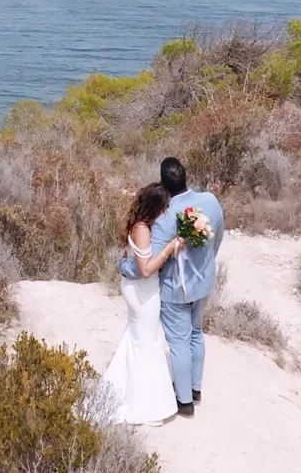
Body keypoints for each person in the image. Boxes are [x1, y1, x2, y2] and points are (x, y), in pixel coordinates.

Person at [118, 156, 224, 417]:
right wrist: (207, 262)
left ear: (163, 182)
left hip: (175, 288)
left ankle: (184, 401)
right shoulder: (210, 201)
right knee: (196, 334)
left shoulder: (165, 216)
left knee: (179, 342)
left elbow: (151, 263)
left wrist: (125, 267)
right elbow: (218, 236)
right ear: (186, 176)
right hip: (203, 282)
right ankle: (196, 388)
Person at [100, 184, 183, 425]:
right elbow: (146, 269)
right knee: (146, 342)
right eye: (165, 207)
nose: (167, 211)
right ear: (157, 206)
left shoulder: (139, 224)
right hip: (143, 293)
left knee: (138, 339)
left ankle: (125, 391)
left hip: (139, 291)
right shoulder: (143, 230)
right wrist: (169, 249)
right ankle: (145, 405)